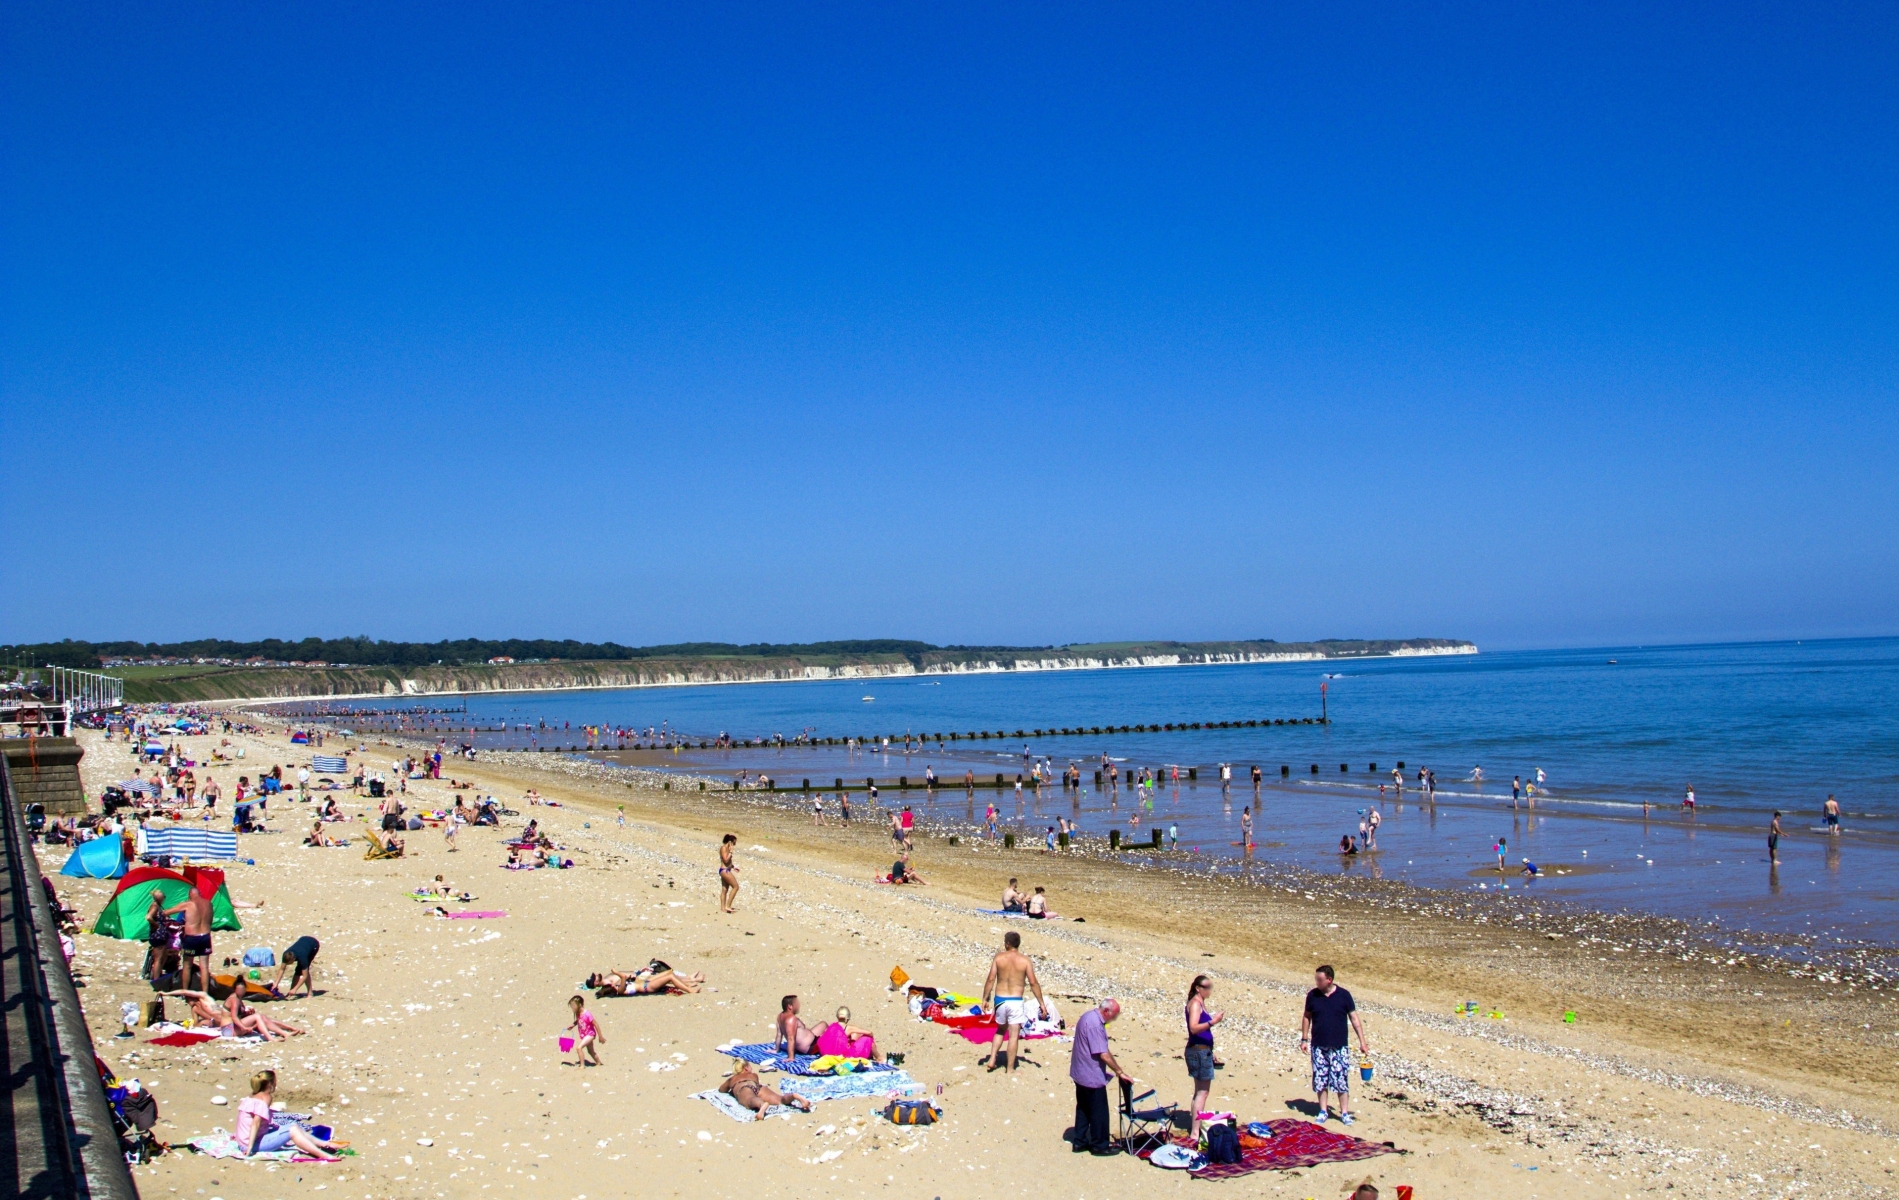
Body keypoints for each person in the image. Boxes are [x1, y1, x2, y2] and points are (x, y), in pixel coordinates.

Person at [1301, 965, 1370, 1125]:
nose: (1316, 982)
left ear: (1329, 980)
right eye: (1316, 979)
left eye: (1320, 979)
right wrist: (1304, 1039)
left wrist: (1363, 1042)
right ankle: (1323, 1110)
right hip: (1318, 1045)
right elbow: (1306, 1017)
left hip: (1339, 1046)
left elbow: (1354, 1019)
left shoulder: (1344, 996)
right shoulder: (1312, 996)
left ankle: (1344, 1113)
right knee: (1320, 1079)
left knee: (1340, 1080)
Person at [1067, 998, 1131, 1155]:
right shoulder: (1095, 1024)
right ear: (1107, 1011)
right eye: (1115, 1015)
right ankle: (1099, 1145)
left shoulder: (1088, 1016)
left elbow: (1101, 1048)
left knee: (1083, 1108)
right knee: (1099, 1112)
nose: (1115, 1018)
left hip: (1080, 1071)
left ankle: (1080, 1141)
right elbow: (1103, 1054)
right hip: (1090, 1074)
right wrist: (1119, 1072)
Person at [236, 1070, 346, 1159]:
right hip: (250, 1144)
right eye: (275, 1081)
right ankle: (323, 1155)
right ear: (270, 1084)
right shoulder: (266, 1098)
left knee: (293, 1125)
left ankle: (325, 1144)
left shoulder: (252, 1096)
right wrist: (249, 1148)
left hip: (244, 1141)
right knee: (292, 1130)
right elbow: (256, 1122)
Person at [982, 930, 1047, 1073]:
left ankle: (992, 1059)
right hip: (1015, 1001)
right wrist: (1041, 1003)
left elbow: (991, 979)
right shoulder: (1025, 961)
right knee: (1013, 1036)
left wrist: (985, 998)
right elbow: (1033, 983)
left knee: (1000, 1030)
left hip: (1000, 999)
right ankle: (1009, 1069)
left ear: (1007, 943)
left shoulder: (999, 958)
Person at [1184, 974, 1224, 1139]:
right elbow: (1193, 1028)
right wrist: (1213, 1022)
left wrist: (1211, 1051)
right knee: (1202, 1092)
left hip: (1202, 1050)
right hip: (1198, 1051)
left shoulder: (1200, 1003)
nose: (1210, 990)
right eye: (1207, 987)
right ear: (1198, 988)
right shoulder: (1195, 1004)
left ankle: (1195, 1127)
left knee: (1199, 1091)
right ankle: (1195, 1132)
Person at [719, 1061, 812, 1118]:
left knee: (750, 1100)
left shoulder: (732, 1079)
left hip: (743, 1087)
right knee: (780, 1100)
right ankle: (794, 1096)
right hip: (757, 1087)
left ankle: (762, 1105)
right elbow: (756, 1084)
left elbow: (721, 1090)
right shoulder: (753, 1075)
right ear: (746, 1068)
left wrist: (732, 1089)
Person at [815, 1006, 883, 1061]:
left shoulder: (831, 1027)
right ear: (847, 1018)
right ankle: (879, 1058)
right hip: (843, 1056)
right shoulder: (848, 1028)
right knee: (867, 1039)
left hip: (827, 1054)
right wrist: (871, 1037)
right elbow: (869, 1033)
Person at [589, 964, 704, 995]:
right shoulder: (620, 990)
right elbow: (623, 977)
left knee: (668, 973)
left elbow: (625, 977)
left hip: (643, 981)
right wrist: (616, 972)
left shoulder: (618, 987)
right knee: (669, 977)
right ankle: (690, 989)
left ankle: (690, 980)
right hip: (645, 986)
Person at [566, 994, 604, 1066]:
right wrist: (573, 1025)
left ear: (579, 1005)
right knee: (591, 1051)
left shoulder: (587, 1014)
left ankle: (582, 1066)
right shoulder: (578, 1013)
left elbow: (595, 1024)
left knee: (579, 1048)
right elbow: (579, 1020)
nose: (572, 1008)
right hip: (584, 1035)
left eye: (573, 1006)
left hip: (590, 1034)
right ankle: (599, 1063)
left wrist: (600, 1036)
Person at [718, 834, 739, 913]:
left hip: (726, 869)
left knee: (725, 890)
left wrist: (733, 866)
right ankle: (728, 906)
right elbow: (726, 860)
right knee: (736, 887)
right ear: (730, 842)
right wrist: (730, 852)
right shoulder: (723, 848)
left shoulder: (726, 849)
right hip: (724, 870)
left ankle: (723, 908)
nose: (734, 845)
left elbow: (728, 862)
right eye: (733, 843)